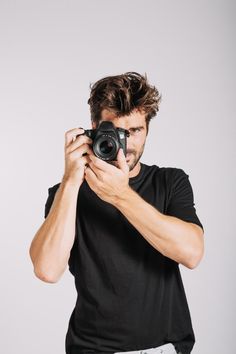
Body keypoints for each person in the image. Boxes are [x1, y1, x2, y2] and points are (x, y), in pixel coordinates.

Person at [29, 72, 204, 354]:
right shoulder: (67, 193)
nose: (126, 144)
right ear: (95, 128)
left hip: (162, 347)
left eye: (135, 131)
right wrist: (71, 179)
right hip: (91, 348)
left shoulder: (170, 182)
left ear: (147, 129)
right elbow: (47, 270)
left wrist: (121, 196)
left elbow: (192, 253)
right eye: (116, 132)